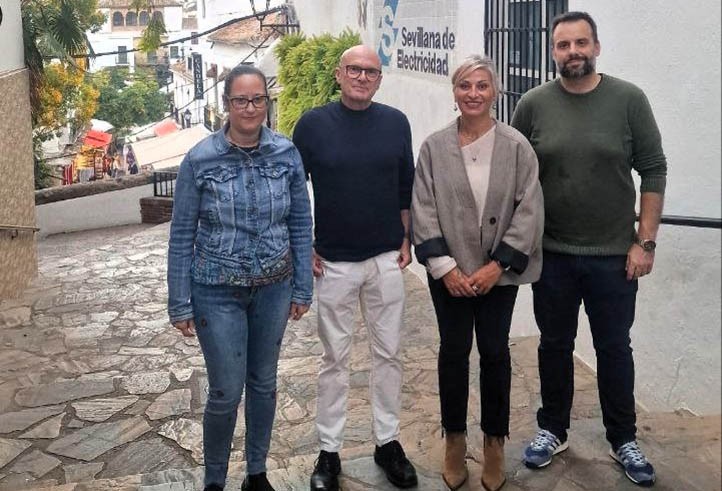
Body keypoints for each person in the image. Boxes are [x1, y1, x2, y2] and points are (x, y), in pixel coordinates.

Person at [511, 11, 667, 488]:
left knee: (614, 348)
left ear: (596, 46)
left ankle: (623, 437)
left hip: (614, 256)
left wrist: (645, 241)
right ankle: (552, 429)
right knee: (554, 346)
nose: (572, 52)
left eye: (581, 43)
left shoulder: (628, 100)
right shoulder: (533, 104)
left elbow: (654, 169)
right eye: (563, 45)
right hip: (552, 253)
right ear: (553, 51)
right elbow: (516, 173)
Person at [167, 65, 313, 491]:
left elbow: (301, 225)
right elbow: (182, 233)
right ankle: (215, 480)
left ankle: (256, 473)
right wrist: (180, 301)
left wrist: (302, 285)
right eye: (240, 100)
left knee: (264, 384)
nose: (250, 108)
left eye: (258, 99)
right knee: (226, 392)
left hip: (274, 286)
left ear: (267, 103)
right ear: (226, 104)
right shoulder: (200, 159)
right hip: (216, 290)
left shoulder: (286, 153)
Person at [411, 55, 543, 491]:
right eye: (465, 85)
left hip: (497, 275)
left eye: (482, 86)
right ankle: (453, 440)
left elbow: (529, 209)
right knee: (453, 352)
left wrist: (496, 266)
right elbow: (423, 208)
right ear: (454, 92)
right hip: (448, 274)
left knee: (494, 353)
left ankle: (494, 443)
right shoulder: (433, 147)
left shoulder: (517, 146)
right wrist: (445, 267)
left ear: (496, 92)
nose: (473, 94)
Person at [292, 45, 418, 491]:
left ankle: (388, 443)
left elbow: (406, 186)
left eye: (371, 71)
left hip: (385, 259)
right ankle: (329, 453)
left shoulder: (395, 123)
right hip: (333, 265)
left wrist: (405, 238)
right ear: (339, 74)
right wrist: (301, 245)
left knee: (389, 356)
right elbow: (293, 188)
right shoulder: (312, 125)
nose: (362, 77)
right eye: (355, 70)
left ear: (379, 79)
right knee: (334, 360)